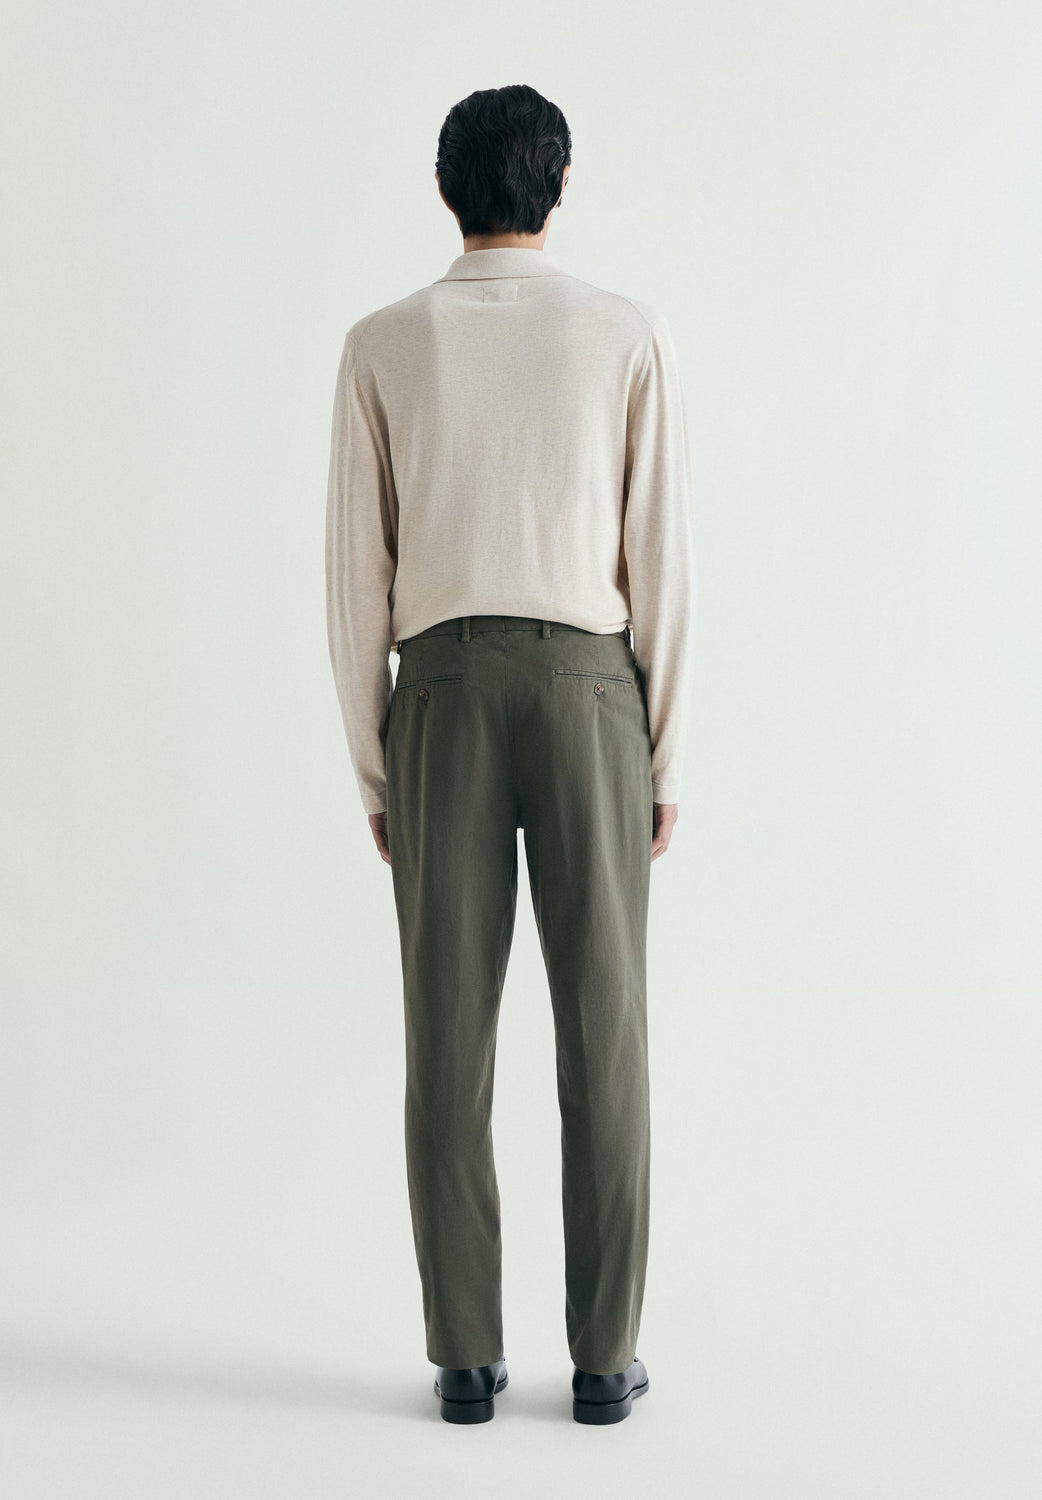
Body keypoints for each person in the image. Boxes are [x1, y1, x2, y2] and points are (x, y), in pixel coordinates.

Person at [325, 83, 695, 1425]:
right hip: (592, 690)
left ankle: (467, 1360)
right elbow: (659, 556)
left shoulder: (382, 343)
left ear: (447, 190)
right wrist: (662, 756)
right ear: (559, 184)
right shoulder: (621, 332)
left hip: (441, 694)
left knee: (447, 1036)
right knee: (606, 1031)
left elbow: (355, 577)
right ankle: (603, 1362)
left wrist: (376, 767)